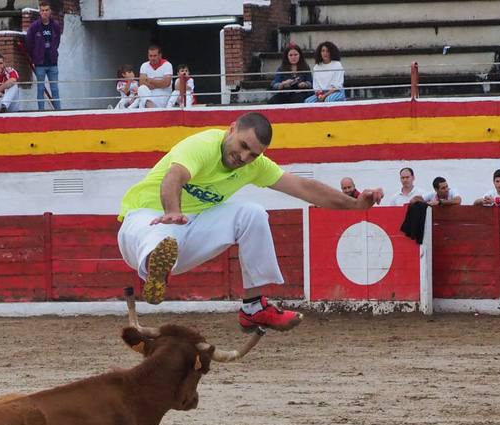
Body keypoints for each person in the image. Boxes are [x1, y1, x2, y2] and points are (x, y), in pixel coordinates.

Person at [117, 111, 383, 333]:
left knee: (253, 213)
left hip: (193, 231)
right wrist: (172, 210)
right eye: (243, 146)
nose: (244, 158)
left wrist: (355, 205)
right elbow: (174, 177)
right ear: (231, 129)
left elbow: (305, 187)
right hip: (146, 219)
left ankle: (254, 307)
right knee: (163, 236)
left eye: (253, 155)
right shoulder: (203, 144)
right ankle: (155, 266)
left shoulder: (254, 166)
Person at [24, 0, 63, 110]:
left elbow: (57, 41)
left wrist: (53, 52)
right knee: (40, 89)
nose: (44, 13)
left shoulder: (55, 25)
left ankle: (59, 112)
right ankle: (41, 112)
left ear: (50, 11)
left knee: (55, 88)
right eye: (42, 10)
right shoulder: (34, 26)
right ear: (39, 12)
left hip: (52, 63)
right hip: (40, 63)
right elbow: (28, 43)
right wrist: (35, 56)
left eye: (46, 10)